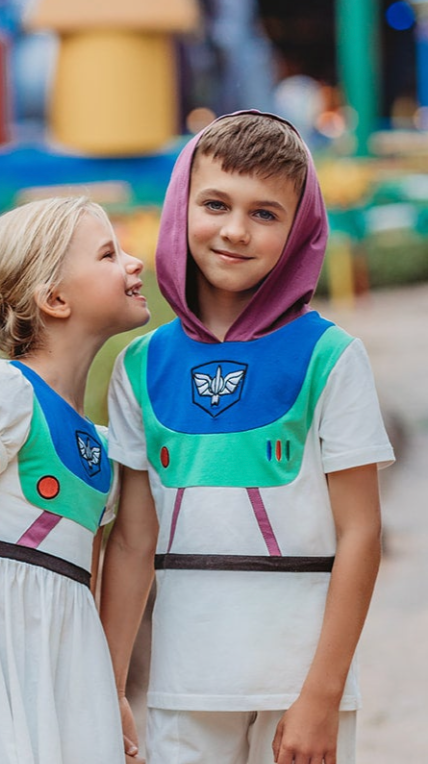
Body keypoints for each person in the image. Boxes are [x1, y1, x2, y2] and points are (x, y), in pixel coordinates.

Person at [100, 111, 395, 764]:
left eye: (265, 213)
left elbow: (360, 534)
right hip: (183, 679)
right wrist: (111, 683)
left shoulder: (330, 357)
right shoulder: (139, 366)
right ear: (181, 207)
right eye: (214, 203)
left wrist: (322, 692)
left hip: (299, 682)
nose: (234, 230)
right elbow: (131, 540)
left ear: (299, 231)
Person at [0, 196, 150, 764]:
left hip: (66, 671)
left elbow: (85, 579)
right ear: (55, 298)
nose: (135, 262)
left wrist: (109, 691)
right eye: (109, 253)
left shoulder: (101, 444)